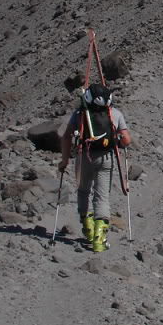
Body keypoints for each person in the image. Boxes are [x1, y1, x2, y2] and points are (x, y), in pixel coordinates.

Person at [57, 84, 131, 252]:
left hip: (84, 156)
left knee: (83, 190)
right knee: (102, 196)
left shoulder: (79, 114)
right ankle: (99, 239)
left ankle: (88, 228)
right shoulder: (115, 114)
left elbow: (66, 137)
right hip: (106, 158)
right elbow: (126, 140)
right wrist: (116, 142)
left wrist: (64, 160)